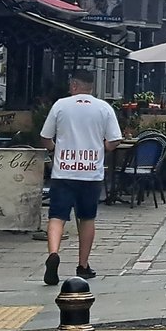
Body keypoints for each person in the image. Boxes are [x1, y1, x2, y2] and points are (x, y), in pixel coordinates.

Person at [39, 69, 124, 285]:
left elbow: (45, 137)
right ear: (91, 87)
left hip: (63, 172)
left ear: (74, 85)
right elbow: (115, 140)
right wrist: (101, 149)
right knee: (87, 218)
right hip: (91, 173)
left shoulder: (60, 105)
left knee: (57, 216)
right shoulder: (103, 108)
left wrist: (54, 149)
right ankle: (83, 265)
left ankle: (53, 253)